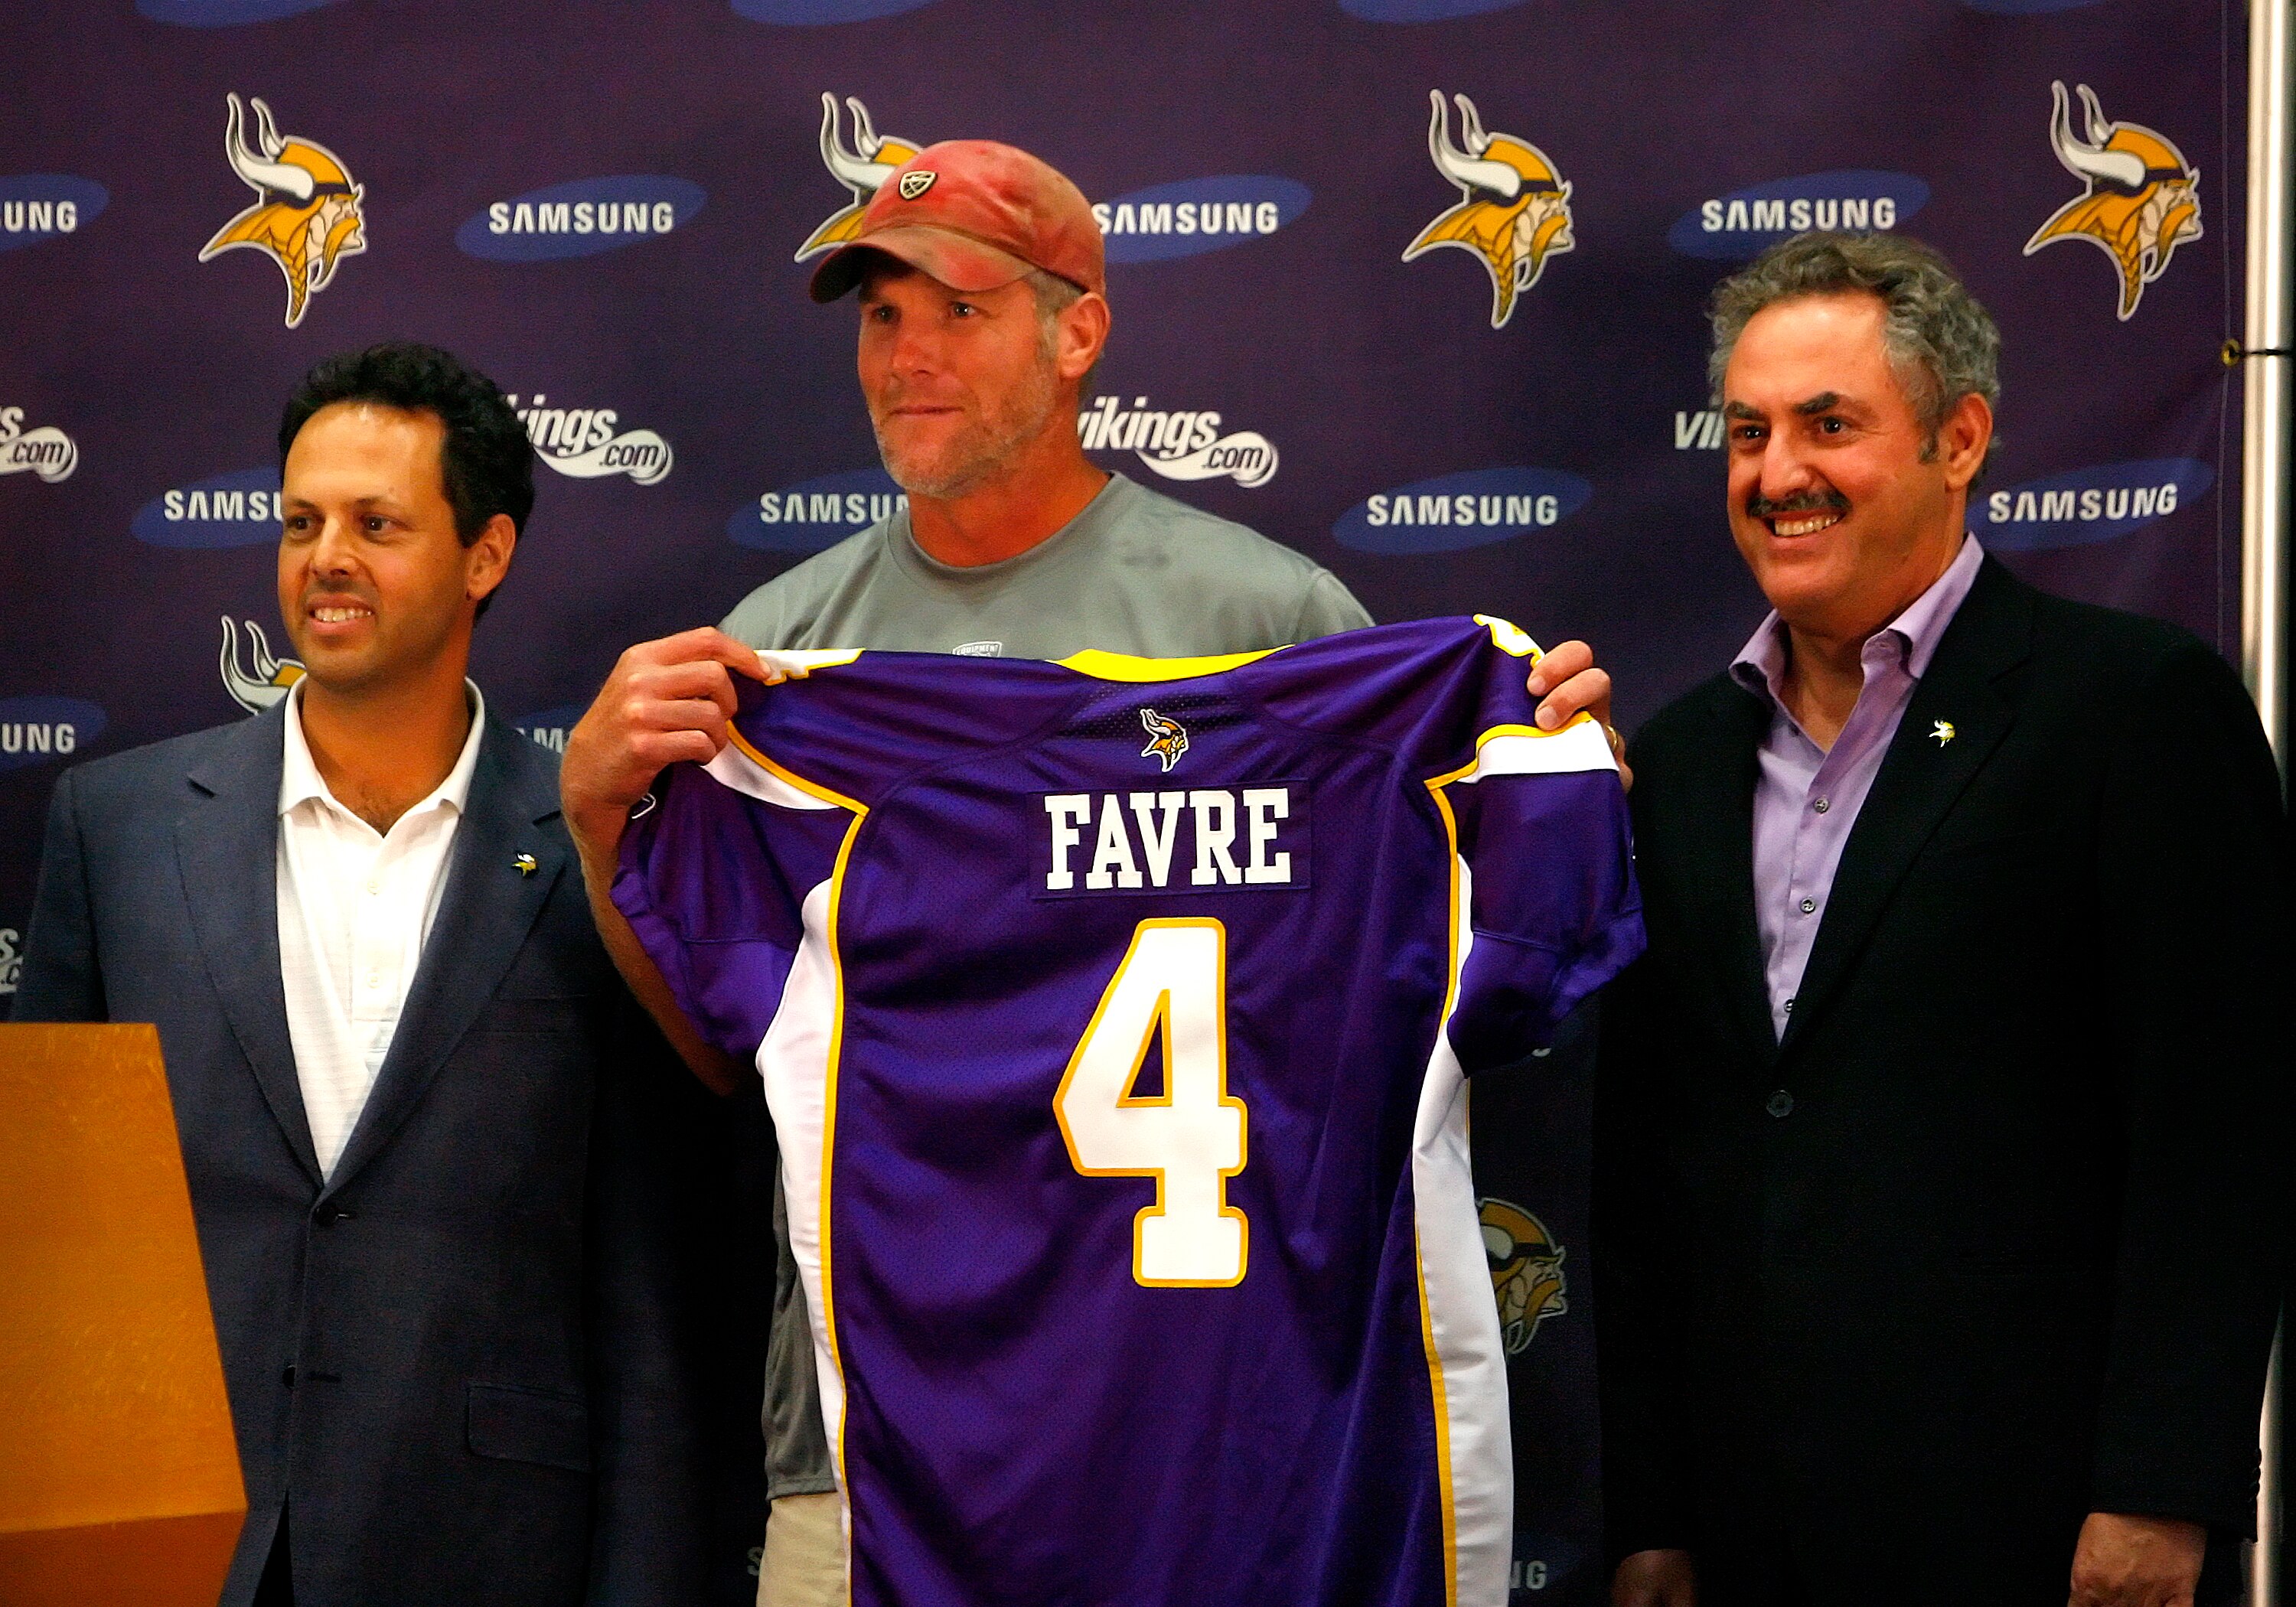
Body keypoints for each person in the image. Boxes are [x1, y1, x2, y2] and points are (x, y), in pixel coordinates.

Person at [557, 139, 1622, 1605]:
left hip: (1230, 1437)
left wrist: (1543, 777)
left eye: (960, 310)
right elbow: (726, 1045)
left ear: (1078, 334)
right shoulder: (780, 659)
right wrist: (603, 824)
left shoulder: (1272, 622)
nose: (906, 357)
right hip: (880, 1446)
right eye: (882, 316)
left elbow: (1418, 1010)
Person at [1595, 233, 2288, 1607]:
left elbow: (2220, 1139)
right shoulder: (1671, 764)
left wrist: (2159, 1491)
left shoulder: (2134, 709)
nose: (1776, 473)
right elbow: (1645, 1178)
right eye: (1749, 432)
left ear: (1959, 440)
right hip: (1744, 1537)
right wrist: (1652, 1517)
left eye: (1828, 425)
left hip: (2043, 1530)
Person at [12, 342, 706, 1607]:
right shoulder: (116, 830)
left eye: (375, 524)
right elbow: (51, 1255)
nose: (325, 557)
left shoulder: (602, 854)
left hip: (490, 1553)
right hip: (172, 1551)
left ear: (486, 554)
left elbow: (657, 1295)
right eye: (302, 522)